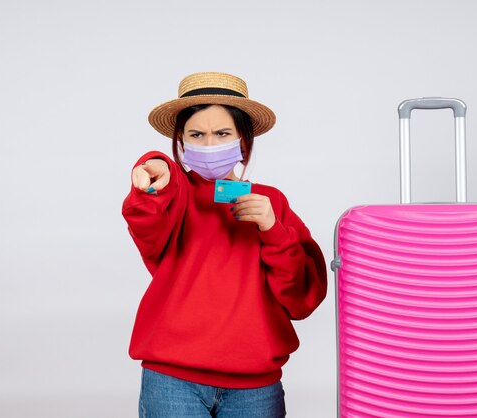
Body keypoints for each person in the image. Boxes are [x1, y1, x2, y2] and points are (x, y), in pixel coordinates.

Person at [122, 72, 327, 418]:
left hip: (255, 387)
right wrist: (154, 167)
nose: (209, 144)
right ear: (181, 141)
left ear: (243, 142)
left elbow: (302, 297)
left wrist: (272, 229)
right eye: (196, 135)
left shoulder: (271, 202)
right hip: (173, 380)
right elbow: (146, 214)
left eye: (222, 134)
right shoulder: (175, 193)